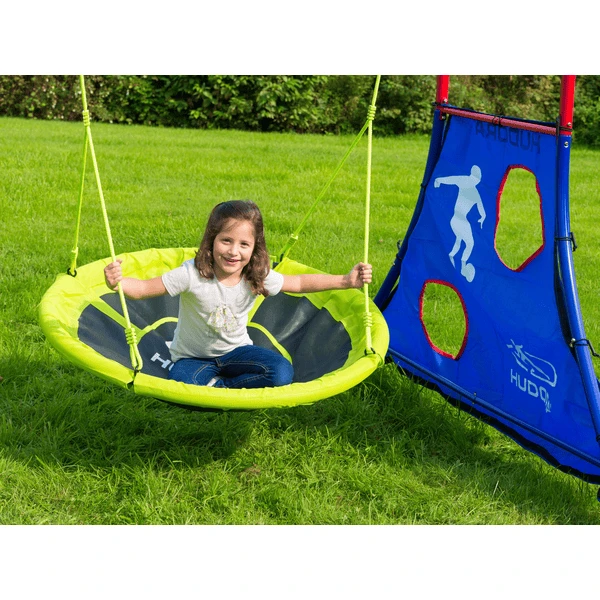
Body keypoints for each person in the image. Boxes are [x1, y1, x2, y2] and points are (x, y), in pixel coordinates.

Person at [104, 200, 372, 389]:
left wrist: (346, 280)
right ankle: (219, 387)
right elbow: (143, 289)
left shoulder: (256, 274)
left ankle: (222, 388)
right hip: (191, 358)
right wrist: (119, 282)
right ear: (212, 240)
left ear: (255, 248)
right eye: (226, 241)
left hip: (238, 353)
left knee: (281, 372)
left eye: (244, 244)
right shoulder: (192, 273)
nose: (234, 252)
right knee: (182, 382)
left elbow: (299, 283)